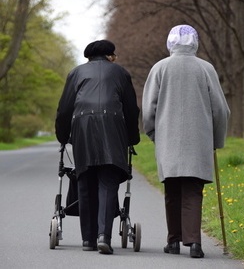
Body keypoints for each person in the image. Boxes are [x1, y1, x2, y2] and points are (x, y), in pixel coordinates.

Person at [142, 25, 230, 258]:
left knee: (172, 190)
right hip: (198, 140)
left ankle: (173, 242)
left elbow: (149, 109)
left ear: (170, 43)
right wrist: (216, 139)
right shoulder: (206, 68)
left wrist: (154, 134)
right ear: (195, 43)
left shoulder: (159, 68)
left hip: (167, 139)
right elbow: (220, 110)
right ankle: (194, 244)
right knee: (193, 190)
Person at [55, 40, 140, 254]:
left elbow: (65, 109)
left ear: (88, 57)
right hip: (113, 128)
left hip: (82, 128)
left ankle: (88, 240)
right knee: (108, 180)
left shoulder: (76, 73)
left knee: (85, 179)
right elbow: (131, 110)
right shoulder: (121, 73)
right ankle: (104, 236)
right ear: (111, 56)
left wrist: (63, 136)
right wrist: (132, 138)